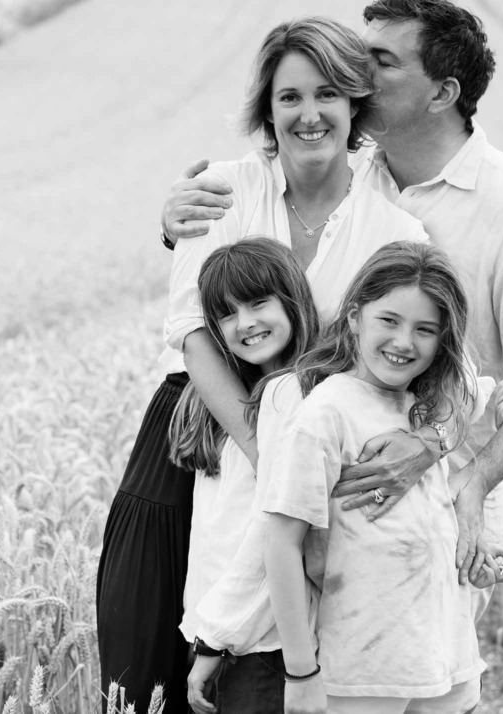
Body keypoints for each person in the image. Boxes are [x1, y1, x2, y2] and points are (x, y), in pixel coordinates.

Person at [159, 0, 503, 593]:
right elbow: (253, 264)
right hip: (327, 496)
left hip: (441, 508)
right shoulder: (354, 171)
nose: (355, 73)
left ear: (442, 94)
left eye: (380, 62)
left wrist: (460, 468)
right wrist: (176, 221)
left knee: (416, 681)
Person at [97, 16, 428, 713]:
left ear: (354, 106)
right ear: (266, 110)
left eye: (328, 95)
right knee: (141, 656)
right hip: (194, 432)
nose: (309, 115)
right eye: (289, 98)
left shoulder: (395, 232)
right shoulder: (221, 188)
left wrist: (293, 466)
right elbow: (191, 327)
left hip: (313, 446)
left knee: (262, 657)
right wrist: (261, 446)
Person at [189, 241, 503, 714]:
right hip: (364, 673)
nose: (404, 342)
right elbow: (279, 542)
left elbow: (414, 525)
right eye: (389, 321)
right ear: (355, 316)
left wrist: (468, 558)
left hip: (446, 660)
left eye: (425, 330)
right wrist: (299, 671)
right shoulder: (323, 411)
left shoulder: (424, 413)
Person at [171, 238, 319, 713]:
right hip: (225, 634)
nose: (246, 323)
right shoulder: (233, 399)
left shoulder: (291, 395)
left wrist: (214, 639)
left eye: (258, 303)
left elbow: (269, 537)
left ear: (293, 299)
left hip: (260, 646)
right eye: (228, 314)